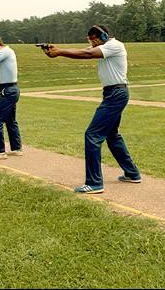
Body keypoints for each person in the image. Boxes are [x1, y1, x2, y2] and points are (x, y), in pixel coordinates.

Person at [42, 25, 141, 194]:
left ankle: (94, 183)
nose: (92, 42)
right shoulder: (102, 46)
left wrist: (60, 53)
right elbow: (82, 50)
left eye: (95, 39)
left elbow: (87, 54)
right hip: (113, 93)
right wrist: (57, 50)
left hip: (116, 93)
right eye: (91, 39)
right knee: (112, 135)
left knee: (93, 135)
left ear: (104, 35)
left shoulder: (114, 45)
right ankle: (132, 173)